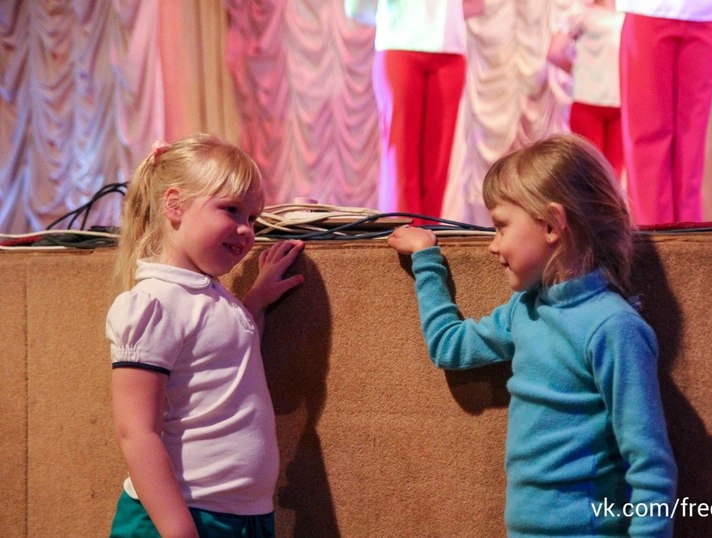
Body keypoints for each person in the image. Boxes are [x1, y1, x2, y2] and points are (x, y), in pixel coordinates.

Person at [387, 133, 677, 536]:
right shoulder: (523, 310)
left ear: (551, 224)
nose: (493, 246)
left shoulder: (614, 328)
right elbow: (448, 347)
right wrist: (425, 258)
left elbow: (650, 467)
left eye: (501, 227)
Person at [106, 133, 305, 538]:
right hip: (184, 517)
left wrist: (256, 300)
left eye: (253, 218)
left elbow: (226, 353)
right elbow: (136, 431)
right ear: (175, 205)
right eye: (231, 210)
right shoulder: (154, 302)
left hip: (244, 515)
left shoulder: (211, 296)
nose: (246, 229)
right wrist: (178, 529)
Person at [344, 0, 484, 223]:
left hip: (450, 49)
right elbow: (356, 7)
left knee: (437, 165)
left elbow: (476, 5)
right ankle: (401, 235)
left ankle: (428, 237)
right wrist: (398, 17)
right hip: (399, 43)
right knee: (400, 158)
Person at [617, 0, 712, 225]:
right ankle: (654, 238)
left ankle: (690, 236)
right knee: (648, 137)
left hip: (704, 14)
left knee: (692, 140)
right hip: (649, 10)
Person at [548, 0, 625, 176]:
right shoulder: (581, 14)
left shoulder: (628, 16)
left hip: (620, 105)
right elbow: (554, 52)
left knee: (613, 173)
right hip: (588, 103)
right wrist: (579, 72)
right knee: (589, 170)